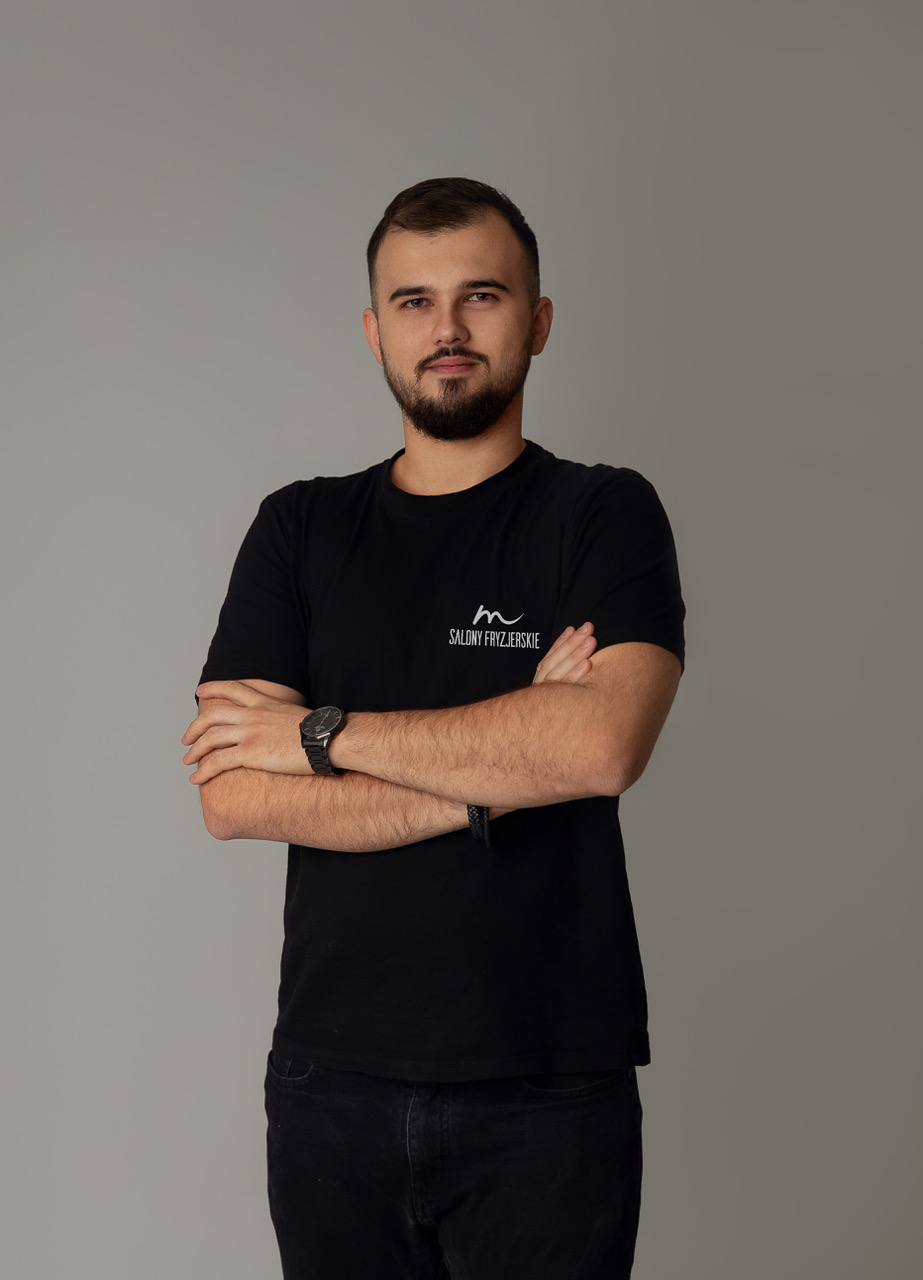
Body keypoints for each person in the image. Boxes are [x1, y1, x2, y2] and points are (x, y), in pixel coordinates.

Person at [182, 177, 685, 1279]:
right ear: (375, 331)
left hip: (550, 1082)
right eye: (413, 300)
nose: (446, 327)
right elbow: (232, 793)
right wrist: (506, 767)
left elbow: (600, 748)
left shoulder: (603, 513)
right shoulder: (299, 527)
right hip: (330, 1080)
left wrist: (317, 734)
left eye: (480, 295)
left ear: (536, 321)